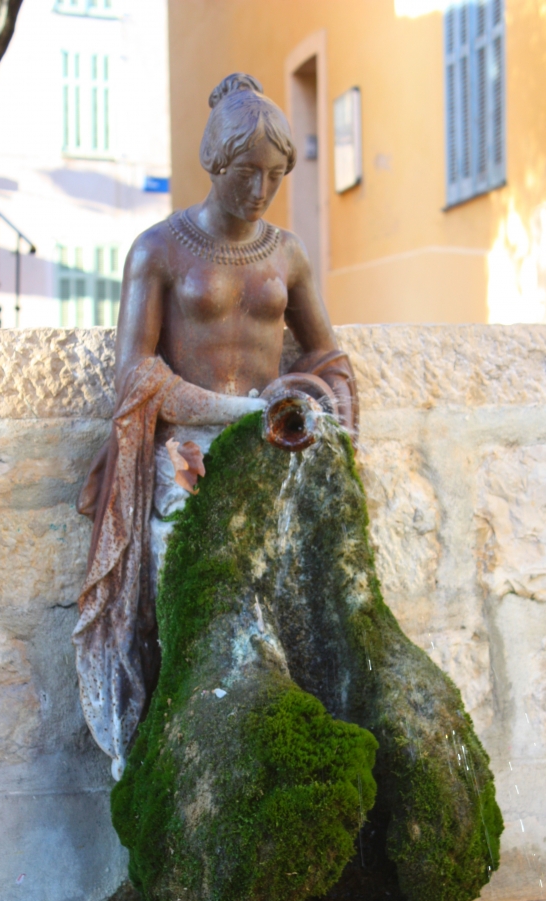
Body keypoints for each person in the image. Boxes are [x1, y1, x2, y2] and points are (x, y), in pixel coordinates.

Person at [73, 73, 358, 779]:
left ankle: (270, 766)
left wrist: (328, 402)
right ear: (214, 163)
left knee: (283, 617)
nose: (260, 191)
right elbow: (135, 375)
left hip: (273, 452)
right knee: (191, 618)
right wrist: (236, 411)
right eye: (246, 174)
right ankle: (179, 760)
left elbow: (325, 350)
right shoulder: (159, 250)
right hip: (189, 459)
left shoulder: (287, 253)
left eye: (274, 176)